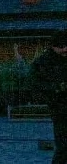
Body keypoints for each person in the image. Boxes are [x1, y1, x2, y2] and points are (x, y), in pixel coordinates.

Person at [31, 31, 67, 164]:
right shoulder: (43, 63)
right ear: (53, 46)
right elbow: (36, 86)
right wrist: (57, 87)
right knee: (63, 146)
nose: (65, 49)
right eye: (62, 46)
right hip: (59, 107)